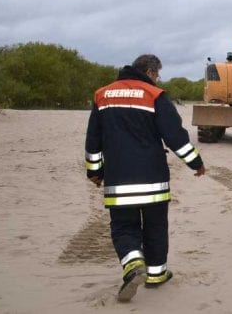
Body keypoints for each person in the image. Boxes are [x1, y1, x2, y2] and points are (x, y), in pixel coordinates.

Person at [84, 54, 206, 302]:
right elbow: (175, 136)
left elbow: (93, 140)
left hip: (118, 179)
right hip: (153, 180)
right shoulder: (155, 95)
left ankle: (132, 264)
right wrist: (196, 163)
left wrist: (95, 172)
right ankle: (156, 275)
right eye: (157, 74)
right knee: (156, 227)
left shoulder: (102, 95)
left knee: (124, 227)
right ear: (150, 72)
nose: (157, 78)